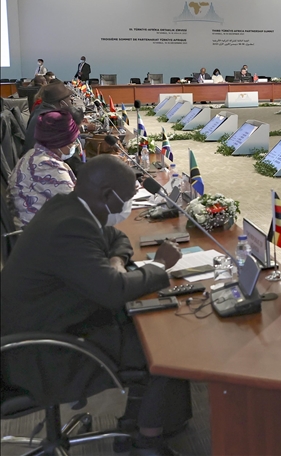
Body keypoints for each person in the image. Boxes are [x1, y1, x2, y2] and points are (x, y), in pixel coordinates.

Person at [1, 154, 192, 456]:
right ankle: (147, 442)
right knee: (165, 344)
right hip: (43, 354)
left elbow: (117, 237)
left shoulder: (68, 207)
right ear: (107, 195)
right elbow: (114, 291)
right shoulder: (70, 227)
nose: (126, 206)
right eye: (126, 199)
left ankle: (139, 422)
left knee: (149, 323)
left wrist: (115, 261)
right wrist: (159, 266)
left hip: (45, 325)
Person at [8, 109, 80, 227]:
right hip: (39, 234)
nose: (75, 145)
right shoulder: (47, 166)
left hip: (37, 228)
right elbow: (77, 209)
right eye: (72, 142)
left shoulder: (33, 154)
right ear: (59, 142)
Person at [24, 82, 73, 152]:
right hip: (41, 157)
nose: (71, 103)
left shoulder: (38, 110)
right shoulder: (51, 119)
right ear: (62, 103)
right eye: (69, 100)